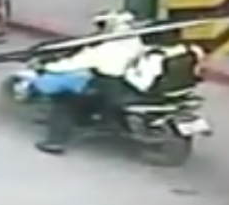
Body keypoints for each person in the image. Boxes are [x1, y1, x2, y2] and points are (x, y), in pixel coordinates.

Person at [34, 10, 145, 154]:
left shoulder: (104, 48)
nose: (99, 28)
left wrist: (46, 66)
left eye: (102, 24)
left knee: (64, 101)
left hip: (106, 85)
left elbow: (73, 63)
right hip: (127, 84)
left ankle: (55, 142)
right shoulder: (135, 41)